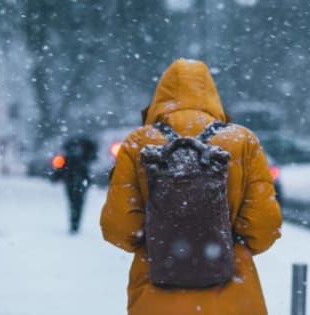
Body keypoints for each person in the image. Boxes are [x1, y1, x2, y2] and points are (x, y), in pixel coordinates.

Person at [100, 59, 282, 315]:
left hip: (155, 294)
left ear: (160, 97)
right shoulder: (242, 141)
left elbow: (118, 228)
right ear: (211, 94)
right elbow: (264, 227)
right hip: (232, 295)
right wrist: (222, 246)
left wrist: (160, 242)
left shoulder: (139, 142)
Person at [53, 135, 97, 234]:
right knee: (77, 203)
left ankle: (74, 223)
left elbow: (61, 168)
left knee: (74, 202)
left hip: (73, 180)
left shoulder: (71, 154)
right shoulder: (85, 155)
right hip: (77, 181)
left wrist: (56, 176)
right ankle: (75, 223)